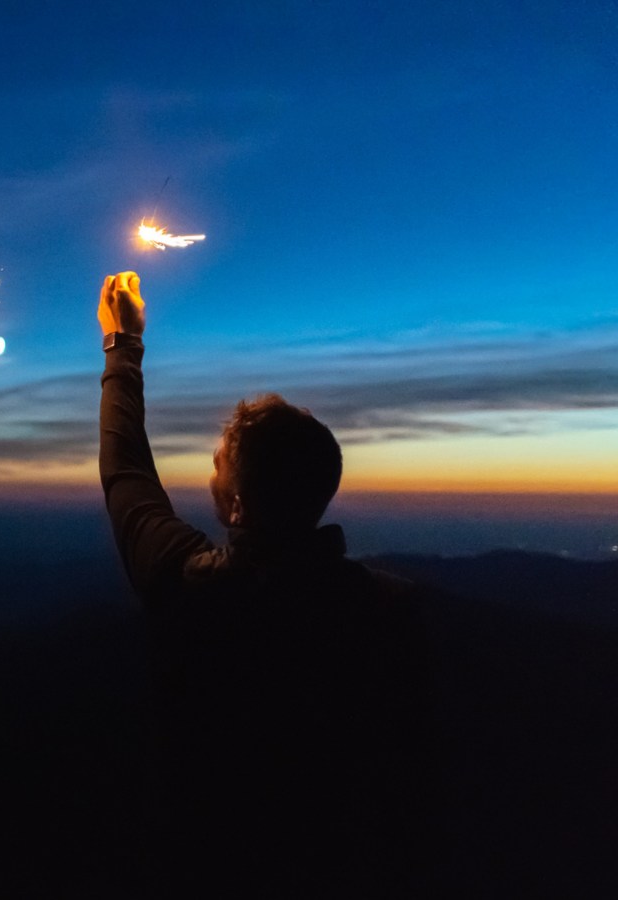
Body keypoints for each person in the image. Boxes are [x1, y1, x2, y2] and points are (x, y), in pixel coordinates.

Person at [97, 272, 432, 897]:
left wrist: (122, 345)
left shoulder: (195, 590)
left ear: (240, 506)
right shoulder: (394, 611)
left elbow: (127, 477)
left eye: (219, 465)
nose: (211, 472)